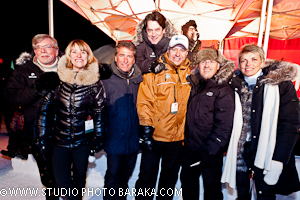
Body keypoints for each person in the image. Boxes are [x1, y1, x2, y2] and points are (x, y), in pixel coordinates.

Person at [221, 44, 300, 200]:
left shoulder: (281, 84)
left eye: (253, 59)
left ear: (263, 62)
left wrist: (279, 159)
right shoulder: (233, 85)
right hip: (241, 151)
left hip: (267, 151)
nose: (248, 64)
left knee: (265, 194)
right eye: (243, 60)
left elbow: (290, 124)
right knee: (242, 191)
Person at [35, 39, 106, 200]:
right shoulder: (56, 79)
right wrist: (42, 139)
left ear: (88, 56)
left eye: (83, 51)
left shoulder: (95, 83)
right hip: (59, 142)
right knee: (63, 184)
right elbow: (43, 112)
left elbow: (99, 112)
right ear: (68, 56)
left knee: (80, 179)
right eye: (74, 51)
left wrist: (99, 138)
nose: (78, 55)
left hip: (83, 142)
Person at [4, 34, 60, 199]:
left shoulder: (68, 67)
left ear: (56, 50)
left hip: (65, 131)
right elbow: (9, 95)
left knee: (65, 172)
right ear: (34, 51)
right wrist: (36, 90)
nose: (43, 51)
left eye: (47, 47)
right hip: (37, 132)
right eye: (38, 48)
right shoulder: (24, 71)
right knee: (48, 174)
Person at [135, 35, 191, 200]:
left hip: (177, 139)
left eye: (182, 50)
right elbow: (144, 102)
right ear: (168, 50)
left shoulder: (190, 74)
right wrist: (146, 131)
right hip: (155, 136)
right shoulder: (155, 71)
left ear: (187, 53)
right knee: (146, 179)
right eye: (174, 49)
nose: (177, 54)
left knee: (169, 181)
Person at [180, 48, 235, 199]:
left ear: (218, 65)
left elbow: (224, 126)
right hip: (190, 150)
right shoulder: (193, 85)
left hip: (210, 152)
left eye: (211, 61)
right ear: (197, 65)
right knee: (188, 187)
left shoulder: (223, 90)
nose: (207, 65)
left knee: (211, 190)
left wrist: (210, 151)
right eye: (203, 61)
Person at [101, 41, 143, 200]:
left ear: (134, 59)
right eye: (122, 55)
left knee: (126, 175)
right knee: (113, 175)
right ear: (116, 57)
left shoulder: (139, 79)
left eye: (129, 56)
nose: (125, 60)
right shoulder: (106, 78)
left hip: (133, 137)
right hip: (114, 137)